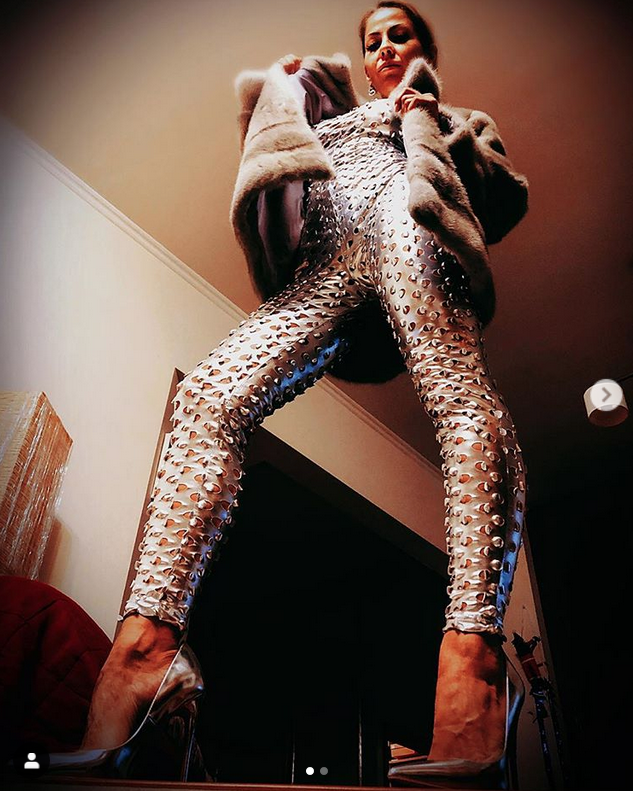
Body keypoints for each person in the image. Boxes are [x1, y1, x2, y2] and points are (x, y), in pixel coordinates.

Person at [60, 2, 529, 786]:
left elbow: (500, 195)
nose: (384, 47)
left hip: (408, 221)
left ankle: (473, 666)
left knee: (454, 388)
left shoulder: (455, 117)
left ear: (422, 49)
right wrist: (284, 99)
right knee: (209, 397)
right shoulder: (330, 118)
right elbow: (282, 181)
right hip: (326, 261)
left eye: (400, 35)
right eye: (372, 39)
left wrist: (425, 121)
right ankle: (145, 653)